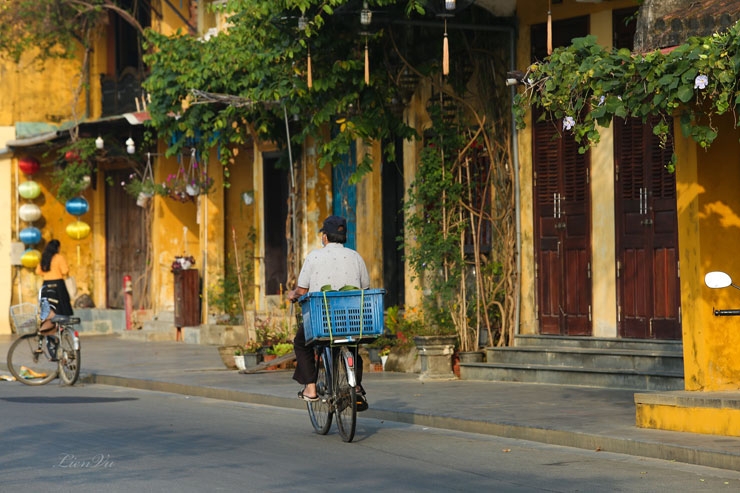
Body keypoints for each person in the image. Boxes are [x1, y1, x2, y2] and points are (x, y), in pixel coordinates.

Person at [287, 215, 371, 411]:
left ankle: (310, 388)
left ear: (325, 237)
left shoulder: (314, 257)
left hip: (322, 320)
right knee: (353, 345)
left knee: (301, 343)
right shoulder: (356, 257)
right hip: (351, 320)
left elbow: (302, 291)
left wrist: (293, 294)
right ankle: (356, 385)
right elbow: (365, 289)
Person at [36, 239, 74, 334]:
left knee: (48, 308)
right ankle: (60, 327)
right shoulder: (59, 257)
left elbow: (38, 271)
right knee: (61, 306)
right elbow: (65, 271)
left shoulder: (44, 258)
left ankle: (50, 330)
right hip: (58, 284)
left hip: (46, 285)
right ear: (57, 248)